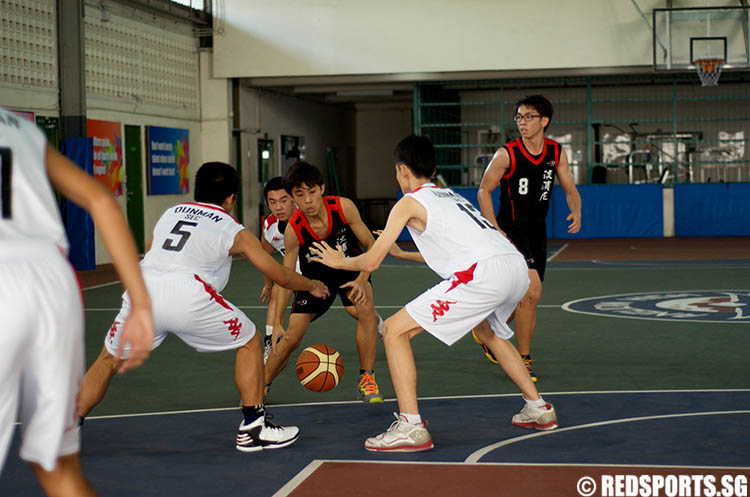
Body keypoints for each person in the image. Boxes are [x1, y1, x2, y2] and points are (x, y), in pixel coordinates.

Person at [310, 135, 558, 452]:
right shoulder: (450, 197)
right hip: (514, 267)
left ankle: (411, 426)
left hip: (484, 273)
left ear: (402, 170)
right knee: (489, 333)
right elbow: (454, 251)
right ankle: (538, 408)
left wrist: (340, 261)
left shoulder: (408, 202)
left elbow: (372, 260)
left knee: (394, 330)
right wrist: (402, 255)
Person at [77, 161, 330, 453]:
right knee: (249, 341)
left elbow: (151, 251)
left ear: (197, 190)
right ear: (231, 198)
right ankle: (253, 427)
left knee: (107, 360)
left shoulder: (170, 213)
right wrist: (311, 284)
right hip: (187, 295)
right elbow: (277, 273)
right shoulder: (230, 227)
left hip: (143, 288)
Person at [0, 106, 155, 496]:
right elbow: (101, 201)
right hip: (52, 280)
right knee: (55, 465)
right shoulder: (19, 126)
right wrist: (140, 304)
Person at [475, 95, 582, 382]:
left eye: (528, 117)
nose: (522, 122)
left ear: (544, 120)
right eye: (519, 117)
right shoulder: (506, 154)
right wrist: (493, 227)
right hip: (511, 229)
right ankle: (522, 359)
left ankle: (487, 330)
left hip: (537, 231)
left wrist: (577, 210)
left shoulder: (555, 152)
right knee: (532, 291)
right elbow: (484, 190)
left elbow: (569, 188)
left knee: (525, 299)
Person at [264, 161, 385, 403]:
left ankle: (367, 379)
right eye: (299, 194)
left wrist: (363, 279)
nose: (307, 200)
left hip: (350, 269)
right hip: (315, 280)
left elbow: (372, 245)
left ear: (322, 188)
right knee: (291, 337)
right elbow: (286, 278)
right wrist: (276, 322)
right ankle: (259, 386)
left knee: (366, 311)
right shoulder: (294, 229)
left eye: (311, 192)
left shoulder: (343, 208)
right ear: (293, 197)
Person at [259, 176, 298, 363]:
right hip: (295, 273)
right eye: (272, 202)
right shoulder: (270, 227)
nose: (278, 207)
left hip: (325, 270)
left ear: (293, 199)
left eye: (284, 200)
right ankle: (270, 342)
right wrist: (268, 284)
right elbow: (264, 256)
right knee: (278, 290)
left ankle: (380, 328)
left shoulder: (308, 218)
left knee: (356, 309)